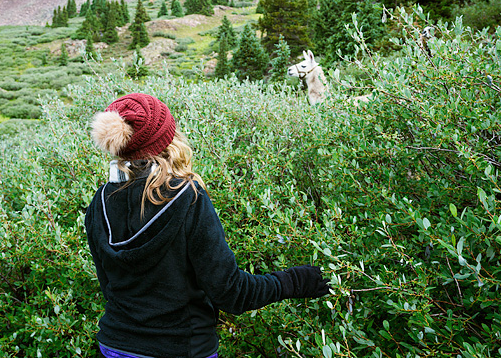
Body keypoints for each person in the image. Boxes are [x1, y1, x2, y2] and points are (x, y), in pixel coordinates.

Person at [85, 93, 330, 358]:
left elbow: (109, 288)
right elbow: (231, 293)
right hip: (182, 349)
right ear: (168, 140)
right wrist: (297, 280)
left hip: (113, 345)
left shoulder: (99, 203)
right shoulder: (187, 198)